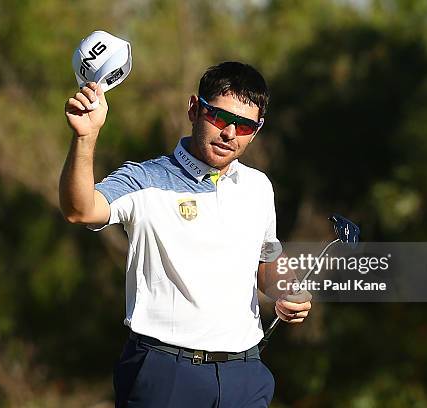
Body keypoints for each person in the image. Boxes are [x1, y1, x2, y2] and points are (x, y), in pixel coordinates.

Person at [59, 61, 312, 408]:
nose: (229, 133)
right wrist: (85, 138)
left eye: (244, 126)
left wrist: (285, 288)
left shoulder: (258, 187)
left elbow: (265, 257)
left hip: (245, 373)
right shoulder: (144, 179)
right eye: (219, 117)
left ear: (257, 129)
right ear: (195, 109)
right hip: (167, 373)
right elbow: (80, 209)